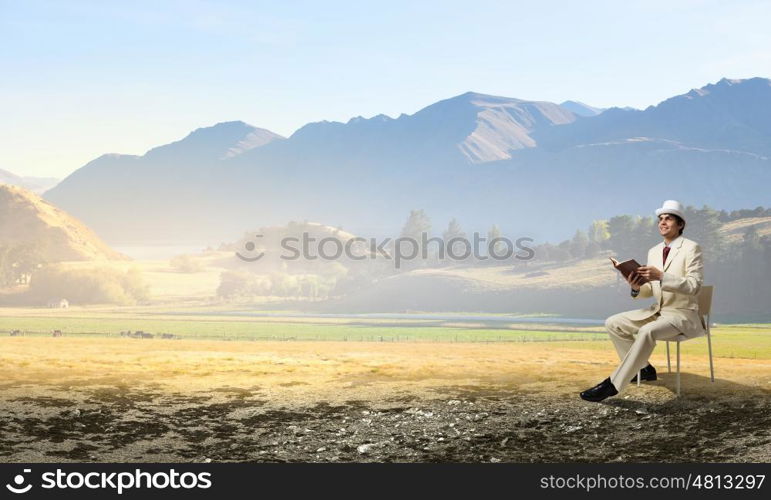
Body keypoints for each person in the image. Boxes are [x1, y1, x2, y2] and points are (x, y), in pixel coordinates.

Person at [580, 200, 705, 402]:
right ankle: (643, 369)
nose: (662, 223)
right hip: (658, 311)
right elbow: (650, 290)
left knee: (647, 331)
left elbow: (694, 286)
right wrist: (636, 287)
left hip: (682, 315)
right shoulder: (654, 251)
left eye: (668, 219)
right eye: (660, 219)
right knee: (613, 323)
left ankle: (613, 384)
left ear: (680, 224)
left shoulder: (692, 248)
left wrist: (662, 276)